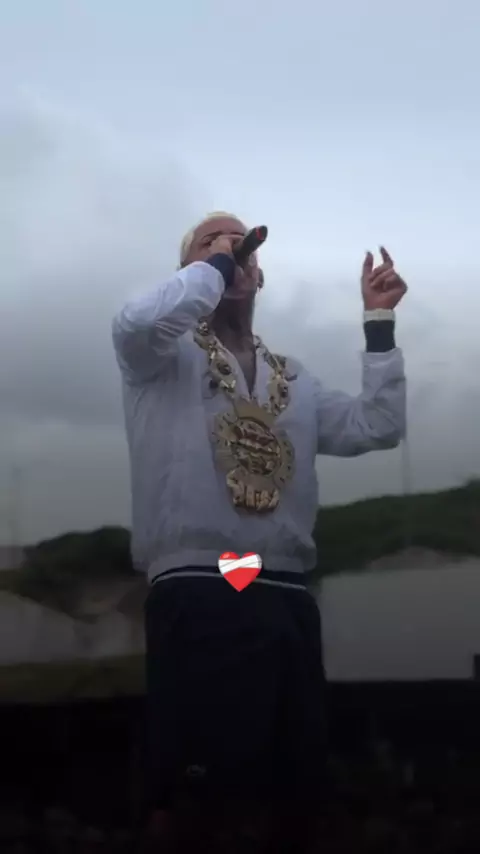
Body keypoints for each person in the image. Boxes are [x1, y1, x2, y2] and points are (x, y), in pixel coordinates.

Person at [112, 212, 407, 853]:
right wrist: (216, 267)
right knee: (199, 796)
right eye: (210, 242)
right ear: (190, 273)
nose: (231, 245)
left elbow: (376, 426)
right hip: (201, 580)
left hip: (288, 592)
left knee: (293, 792)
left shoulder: (292, 377)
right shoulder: (159, 356)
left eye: (240, 242)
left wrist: (378, 322)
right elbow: (136, 321)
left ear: (260, 274)